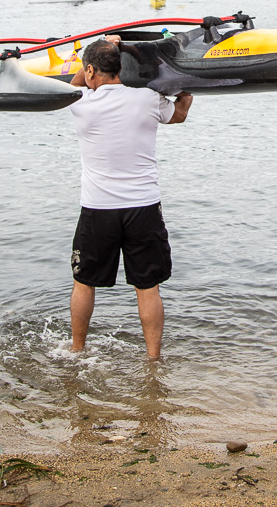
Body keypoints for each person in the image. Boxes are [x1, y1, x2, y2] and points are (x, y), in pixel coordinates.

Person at [65, 37, 192, 359]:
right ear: (121, 68)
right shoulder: (148, 99)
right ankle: (153, 359)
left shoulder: (79, 102)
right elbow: (177, 115)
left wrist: (102, 46)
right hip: (143, 208)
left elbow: (75, 82)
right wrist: (186, 95)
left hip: (98, 210)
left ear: (91, 70)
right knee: (147, 287)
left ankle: (76, 350)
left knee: (84, 283)